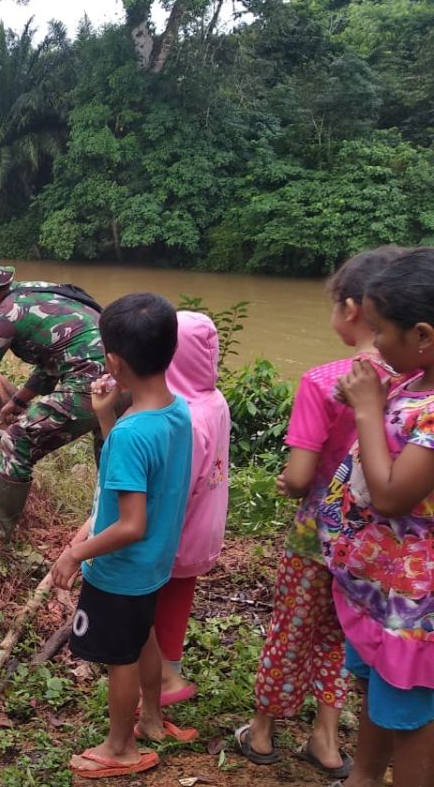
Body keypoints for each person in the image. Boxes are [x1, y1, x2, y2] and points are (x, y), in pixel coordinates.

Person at [234, 247, 401, 779]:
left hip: (317, 532)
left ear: (353, 309)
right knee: (338, 634)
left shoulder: (325, 379)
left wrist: (288, 482)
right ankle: (326, 741)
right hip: (378, 541)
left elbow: (302, 477)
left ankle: (261, 732)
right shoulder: (416, 379)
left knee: (292, 628)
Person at [50, 293, 195, 779]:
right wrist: (107, 417)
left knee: (120, 657)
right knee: (143, 638)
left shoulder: (135, 433)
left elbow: (131, 523)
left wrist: (75, 554)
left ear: (113, 360)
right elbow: (138, 480)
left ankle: (121, 746)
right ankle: (151, 720)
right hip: (153, 566)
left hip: (120, 570)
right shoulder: (176, 413)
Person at [318, 249, 434, 787]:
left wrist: (367, 410)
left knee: (410, 718)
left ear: (424, 336)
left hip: (413, 608)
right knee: (375, 692)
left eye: (382, 329)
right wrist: (379, 401)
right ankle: (363, 777)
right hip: (376, 588)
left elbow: (391, 496)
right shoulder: (414, 385)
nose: (376, 342)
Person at [0, 250, 104, 541]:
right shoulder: (34, 292)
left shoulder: (4, 317)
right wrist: (19, 401)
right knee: (110, 448)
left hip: (89, 383)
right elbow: (53, 361)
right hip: (123, 374)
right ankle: (108, 516)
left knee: (17, 439)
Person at [151, 311, 231, 707]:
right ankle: (171, 667)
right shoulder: (213, 401)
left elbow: (172, 492)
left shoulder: (183, 420)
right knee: (178, 601)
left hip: (175, 533)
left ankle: (155, 681)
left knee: (148, 604)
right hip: (205, 530)